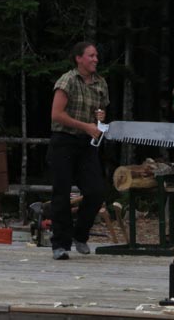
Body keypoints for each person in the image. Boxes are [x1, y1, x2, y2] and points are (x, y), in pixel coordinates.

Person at [48, 41, 109, 260]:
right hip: (64, 141)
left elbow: (98, 112)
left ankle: (80, 235)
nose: (95, 59)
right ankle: (60, 244)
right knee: (61, 194)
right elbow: (56, 114)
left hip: (86, 144)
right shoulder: (68, 80)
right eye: (91, 56)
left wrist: (99, 118)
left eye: (96, 56)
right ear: (79, 58)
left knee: (96, 191)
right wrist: (87, 126)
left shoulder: (100, 83)